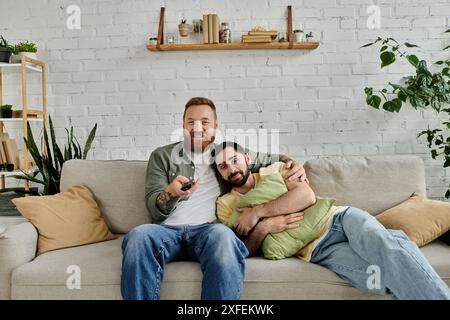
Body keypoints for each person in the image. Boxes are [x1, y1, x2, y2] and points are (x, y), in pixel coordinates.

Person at [120, 97, 307, 300]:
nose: (198, 127)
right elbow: (153, 206)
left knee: (224, 236)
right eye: (191, 122)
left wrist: (292, 163)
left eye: (205, 122)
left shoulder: (225, 155)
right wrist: (171, 193)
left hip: (208, 230)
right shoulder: (162, 156)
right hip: (165, 231)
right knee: (138, 236)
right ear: (183, 126)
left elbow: (270, 158)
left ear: (216, 126)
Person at [213, 141, 450, 300]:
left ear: (246, 158)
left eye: (234, 160)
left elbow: (305, 195)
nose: (231, 168)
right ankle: (398, 242)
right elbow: (242, 250)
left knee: (386, 248)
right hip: (319, 251)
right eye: (223, 166)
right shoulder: (225, 205)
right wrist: (263, 228)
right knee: (377, 277)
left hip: (340, 219)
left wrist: (258, 213)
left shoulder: (275, 170)